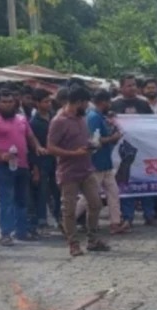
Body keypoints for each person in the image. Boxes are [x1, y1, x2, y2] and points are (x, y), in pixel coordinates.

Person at [47, 86, 110, 256]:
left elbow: (83, 139)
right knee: (69, 209)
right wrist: (73, 153)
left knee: (96, 204)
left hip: (86, 168)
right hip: (68, 172)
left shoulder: (81, 118)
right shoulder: (59, 121)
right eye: (86, 103)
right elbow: (51, 147)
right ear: (78, 102)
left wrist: (91, 144)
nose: (88, 106)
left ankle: (92, 239)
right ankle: (73, 243)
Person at [0, 89, 47, 246]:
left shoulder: (21, 119)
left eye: (10, 102)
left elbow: (30, 137)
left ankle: (21, 231)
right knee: (6, 200)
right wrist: (0, 155)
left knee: (22, 200)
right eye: (4, 102)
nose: (8, 105)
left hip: (22, 165)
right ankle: (5, 234)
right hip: (3, 166)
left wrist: (38, 147)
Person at [111, 75, 157, 226]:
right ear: (121, 88)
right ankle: (127, 216)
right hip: (123, 150)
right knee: (125, 182)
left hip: (142, 148)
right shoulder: (114, 104)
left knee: (144, 180)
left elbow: (153, 123)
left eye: (134, 85)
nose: (132, 88)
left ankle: (149, 214)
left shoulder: (143, 103)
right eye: (129, 85)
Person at [83, 89, 126, 234]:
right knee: (89, 196)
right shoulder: (94, 117)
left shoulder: (99, 116)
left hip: (105, 162)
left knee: (113, 193)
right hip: (97, 163)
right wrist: (112, 138)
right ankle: (67, 221)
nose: (110, 105)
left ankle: (115, 223)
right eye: (108, 102)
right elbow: (93, 141)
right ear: (103, 102)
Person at [29, 88, 59, 232]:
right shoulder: (33, 123)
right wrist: (35, 169)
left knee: (57, 190)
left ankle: (60, 218)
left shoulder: (55, 117)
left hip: (56, 160)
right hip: (42, 162)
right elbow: (32, 148)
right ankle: (42, 221)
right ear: (37, 103)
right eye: (45, 102)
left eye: (49, 101)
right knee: (42, 191)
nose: (48, 104)